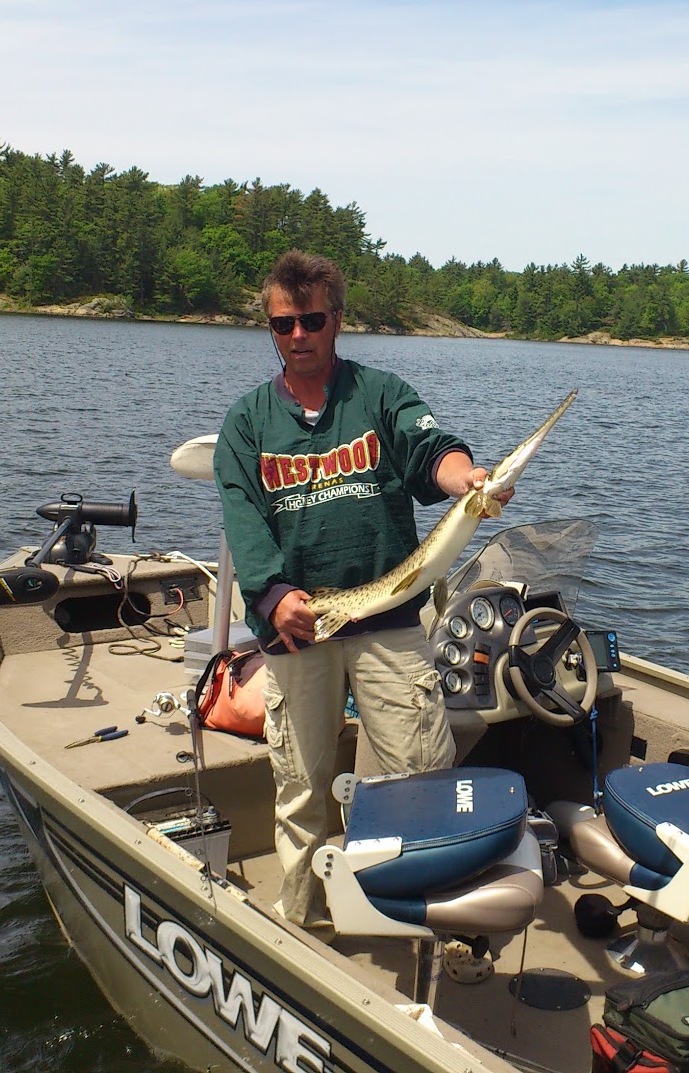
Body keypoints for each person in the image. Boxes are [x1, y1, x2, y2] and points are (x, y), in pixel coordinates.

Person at [214, 250, 505, 928]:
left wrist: (468, 481)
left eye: (311, 320)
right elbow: (243, 518)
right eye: (283, 324)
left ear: (337, 320)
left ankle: (425, 914)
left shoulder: (379, 395)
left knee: (421, 778)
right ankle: (302, 917)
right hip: (299, 627)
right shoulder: (248, 422)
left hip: (387, 622)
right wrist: (271, 594)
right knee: (301, 789)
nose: (298, 336)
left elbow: (433, 451)